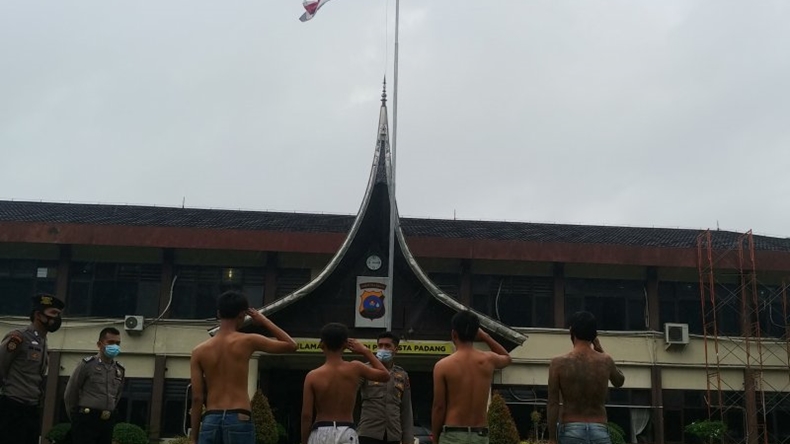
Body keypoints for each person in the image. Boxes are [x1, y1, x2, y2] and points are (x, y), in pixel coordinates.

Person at [190, 290, 297, 444]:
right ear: (242, 315)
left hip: (211, 418)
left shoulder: (198, 351)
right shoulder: (248, 341)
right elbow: (291, 345)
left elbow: (197, 398)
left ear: (219, 313)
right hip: (239, 416)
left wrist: (194, 438)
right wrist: (263, 320)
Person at [302, 323, 390, 444]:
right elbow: (385, 375)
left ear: (322, 345)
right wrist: (365, 351)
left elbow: (306, 415)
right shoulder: (355, 368)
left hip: (321, 431)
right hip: (346, 430)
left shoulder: (312, 376)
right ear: (346, 345)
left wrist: (303, 440)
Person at [431, 311, 512, 444]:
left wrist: (435, 438)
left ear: (453, 334)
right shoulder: (488, 360)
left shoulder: (443, 366)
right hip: (480, 434)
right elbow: (508, 358)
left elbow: (439, 406)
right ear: (476, 334)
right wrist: (486, 337)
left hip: (453, 434)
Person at [547, 311, 625, 444]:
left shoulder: (558, 363)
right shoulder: (606, 361)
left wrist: (552, 439)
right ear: (594, 335)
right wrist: (600, 350)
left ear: (571, 331)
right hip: (599, 429)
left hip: (571, 430)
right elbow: (619, 381)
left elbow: (553, 404)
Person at [0, 294, 65, 444]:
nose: (57, 318)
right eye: (53, 313)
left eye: (58, 314)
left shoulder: (42, 342)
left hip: (31, 408)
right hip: (12, 407)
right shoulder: (19, 337)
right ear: (38, 315)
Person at [64, 327, 125, 444]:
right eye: (111, 342)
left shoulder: (119, 370)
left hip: (107, 421)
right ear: (99, 344)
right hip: (86, 420)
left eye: (118, 343)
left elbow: (117, 395)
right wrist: (75, 417)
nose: (115, 346)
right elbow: (71, 392)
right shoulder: (87, 365)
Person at [358, 331, 414, 444]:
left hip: (393, 435)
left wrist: (408, 439)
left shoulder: (402, 375)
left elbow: (406, 410)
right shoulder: (365, 370)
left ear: (396, 349)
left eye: (387, 346)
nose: (383, 349)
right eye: (380, 345)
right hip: (368, 433)